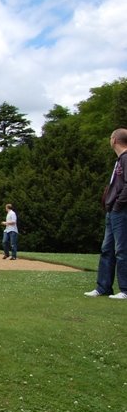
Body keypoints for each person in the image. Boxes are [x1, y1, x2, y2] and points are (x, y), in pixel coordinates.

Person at [86, 128, 127, 299]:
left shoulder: (126, 158)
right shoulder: (119, 160)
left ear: (115, 140)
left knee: (121, 250)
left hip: (121, 211)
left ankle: (125, 289)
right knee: (107, 249)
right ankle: (103, 287)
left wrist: (118, 205)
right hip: (112, 211)